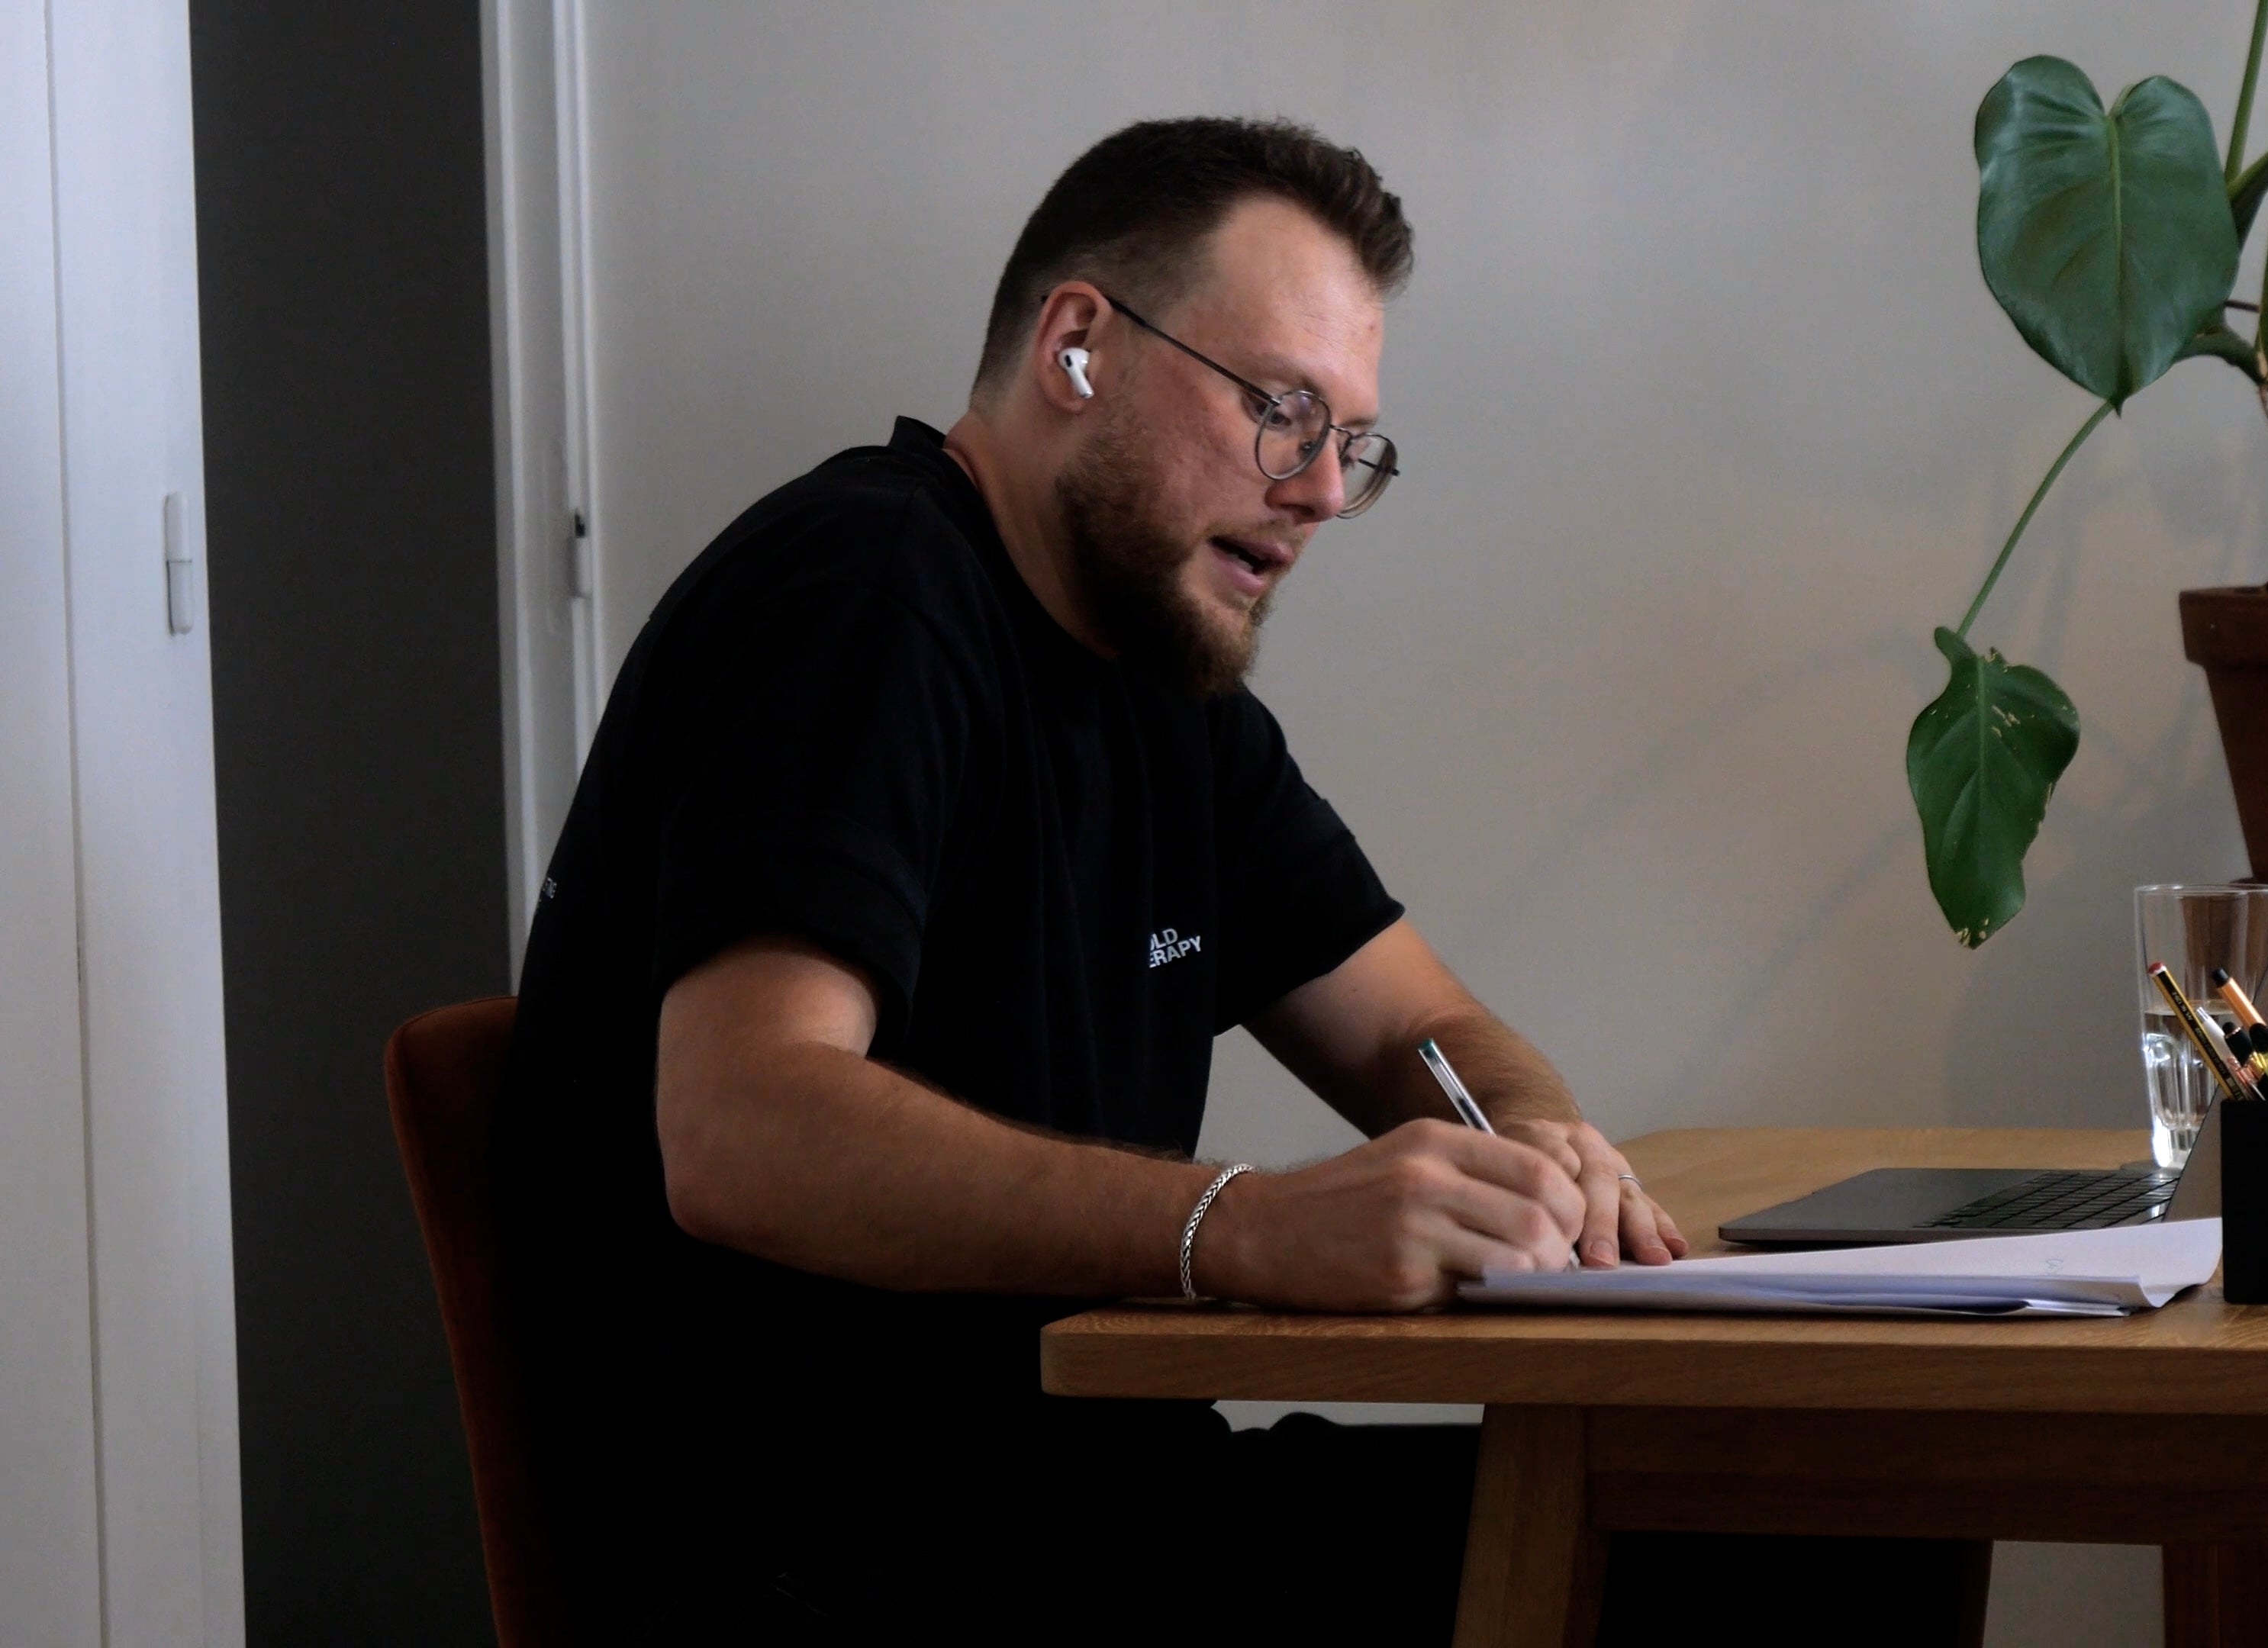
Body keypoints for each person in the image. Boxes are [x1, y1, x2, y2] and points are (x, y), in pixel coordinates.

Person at [500, 115, 1970, 1644]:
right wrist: (1243, 1225)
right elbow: (739, 1131)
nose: (1322, 490)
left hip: (1094, 1503)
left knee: (1817, 1523)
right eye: (1281, 410)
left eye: (1352, 442)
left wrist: (1534, 1138)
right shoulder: (863, 590)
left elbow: (1416, 1028)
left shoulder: (1160, 686)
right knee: (1775, 1563)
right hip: (834, 1562)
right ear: (1077, 345)